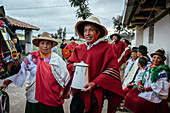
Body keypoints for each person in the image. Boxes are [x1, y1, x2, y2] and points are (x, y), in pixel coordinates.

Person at [0, 32, 70, 113]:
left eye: (48, 44)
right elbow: (20, 71)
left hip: (52, 96)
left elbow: (65, 76)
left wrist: (62, 90)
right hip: (34, 96)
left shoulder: (57, 59)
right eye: (42, 43)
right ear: (38, 45)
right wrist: (6, 83)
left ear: (51, 45)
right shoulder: (32, 58)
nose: (45, 46)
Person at [67, 16, 123, 113]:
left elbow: (112, 69)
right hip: (78, 93)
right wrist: (73, 67)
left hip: (95, 92)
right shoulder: (78, 48)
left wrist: (95, 83)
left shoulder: (106, 48)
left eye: (91, 30)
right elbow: (69, 65)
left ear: (98, 32)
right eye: (85, 30)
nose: (87, 34)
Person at [124, 49, 170, 113]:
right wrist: (140, 84)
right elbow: (143, 78)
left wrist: (145, 89)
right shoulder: (149, 68)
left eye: (158, 58)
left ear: (162, 60)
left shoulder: (162, 71)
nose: (155, 60)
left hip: (154, 91)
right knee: (129, 94)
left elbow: (159, 86)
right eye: (154, 57)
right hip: (144, 88)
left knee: (139, 102)